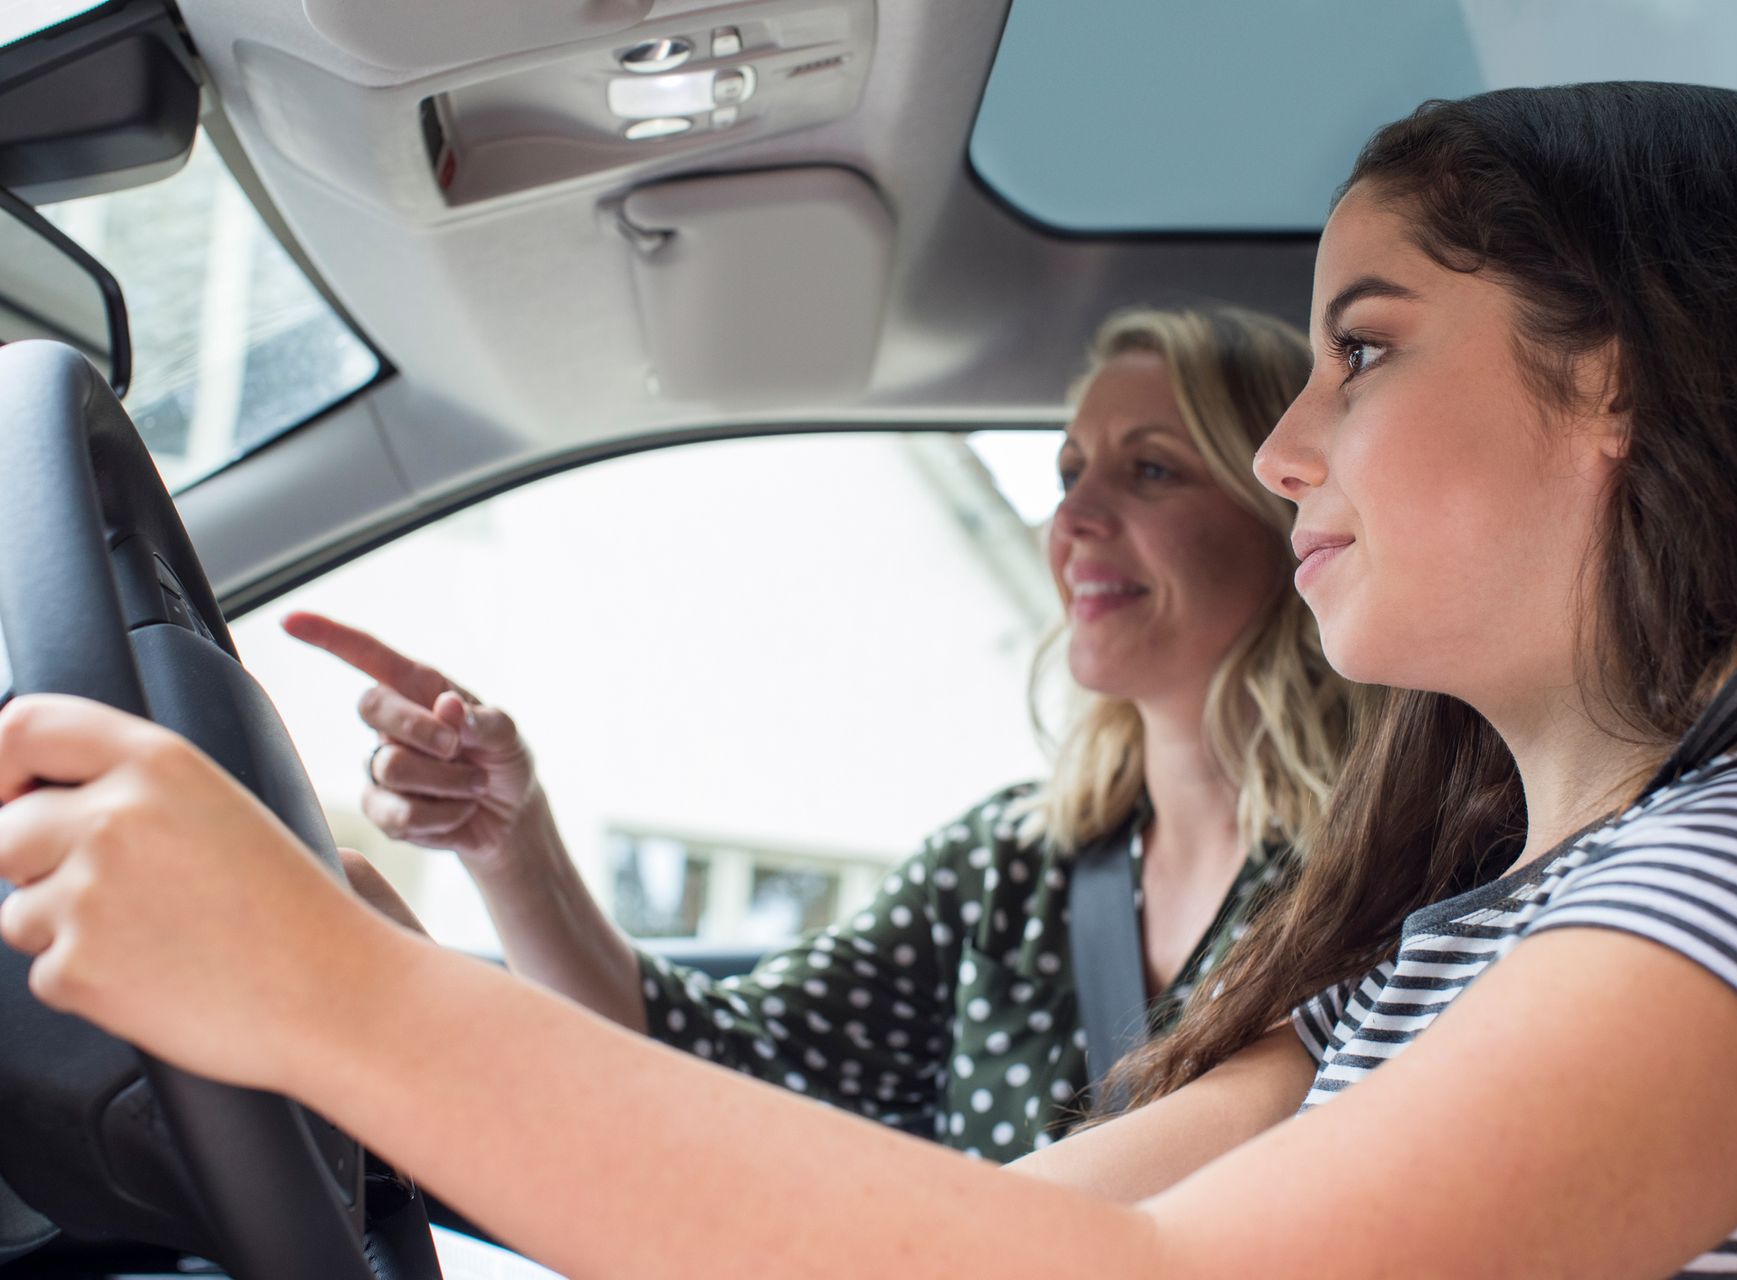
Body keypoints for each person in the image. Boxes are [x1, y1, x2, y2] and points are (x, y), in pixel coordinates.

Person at [2, 81, 1737, 1280]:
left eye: (1367, 351)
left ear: (1618, 390)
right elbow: (1057, 1219)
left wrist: (346, 1006)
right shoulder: (1453, 933)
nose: (1288, 449)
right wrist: (374, 985)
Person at [274, 302, 1354, 1159]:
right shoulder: (1011, 865)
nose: (1071, 519)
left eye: (1151, 466)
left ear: (1285, 513)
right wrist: (513, 845)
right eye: (1069, 473)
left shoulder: (1376, 883)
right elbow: (713, 1067)